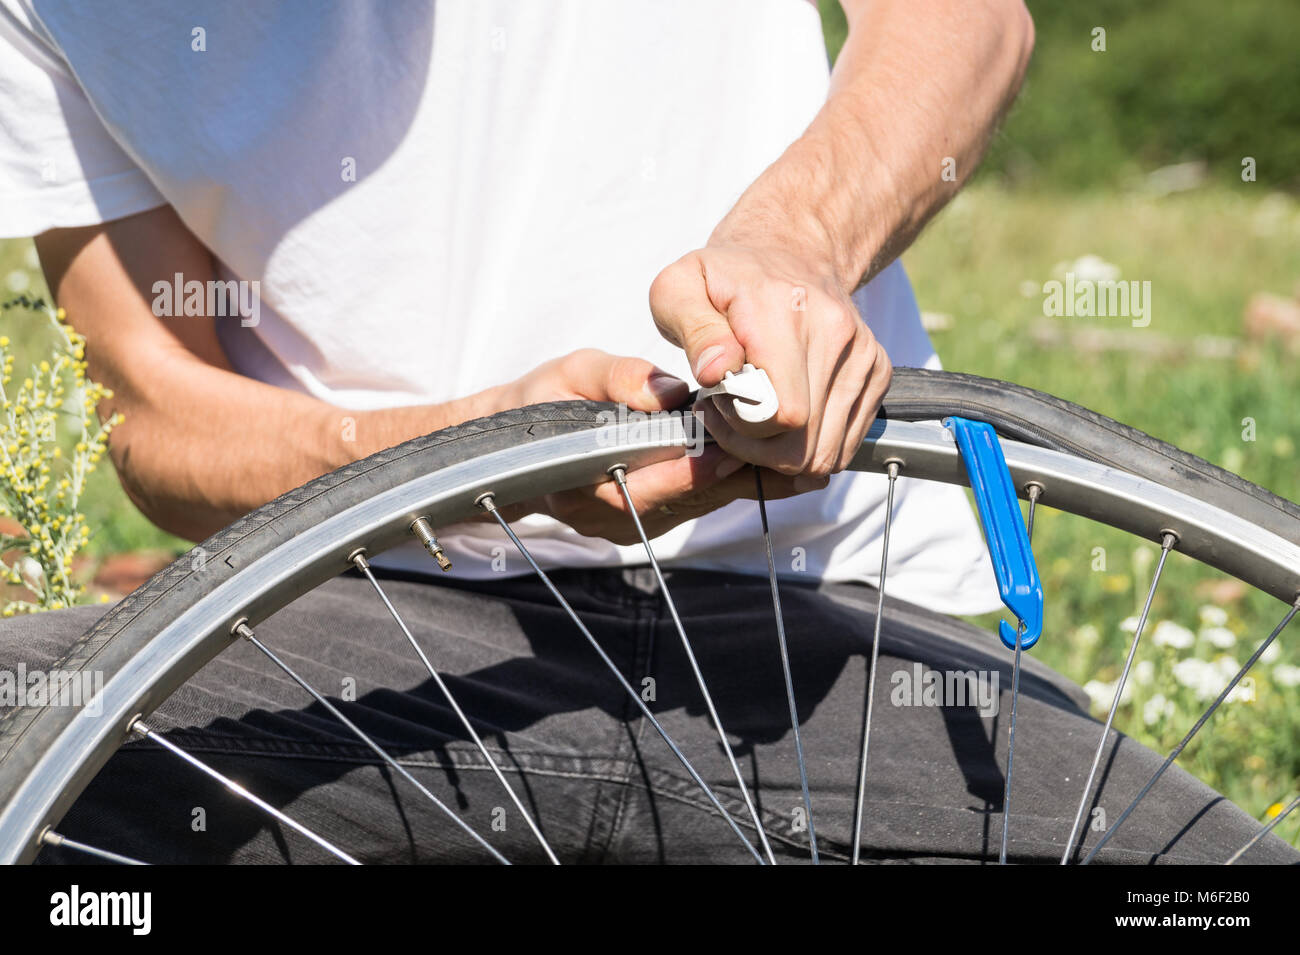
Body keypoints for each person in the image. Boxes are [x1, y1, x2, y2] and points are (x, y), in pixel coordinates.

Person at [0, 0, 1289, 864]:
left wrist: (794, 244)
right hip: (369, 639)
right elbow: (159, 410)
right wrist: (463, 451)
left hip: (836, 621)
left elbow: (966, 21)